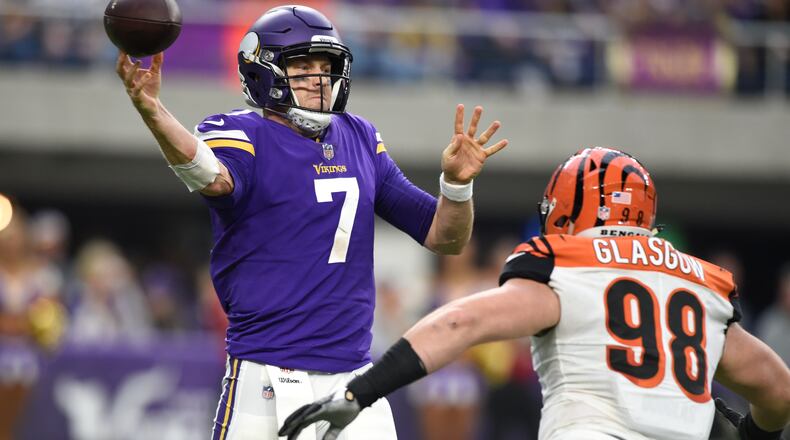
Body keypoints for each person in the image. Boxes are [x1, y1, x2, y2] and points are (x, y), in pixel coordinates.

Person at [115, 5, 507, 440]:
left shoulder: (359, 136)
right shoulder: (241, 132)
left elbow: (444, 236)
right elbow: (208, 173)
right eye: (302, 67)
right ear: (263, 73)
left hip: (356, 377)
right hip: (268, 372)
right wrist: (152, 110)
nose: (319, 80)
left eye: (326, 67)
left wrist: (455, 186)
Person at [279, 147, 790, 440]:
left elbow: (461, 324)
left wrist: (359, 393)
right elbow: (777, 390)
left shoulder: (570, 265)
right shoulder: (701, 284)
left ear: (567, 209)